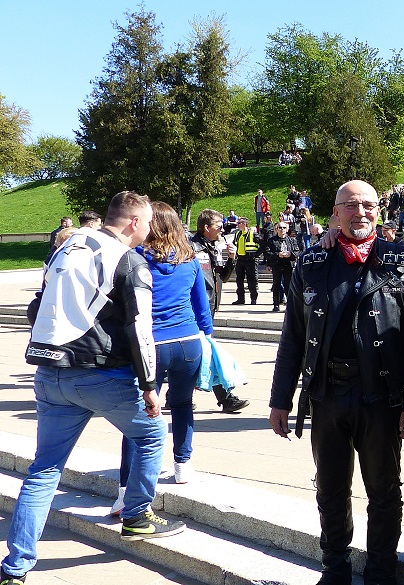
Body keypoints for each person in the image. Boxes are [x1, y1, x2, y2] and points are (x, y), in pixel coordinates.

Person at [3, 192, 184, 585]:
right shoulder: (128, 260)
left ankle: (15, 568)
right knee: (151, 433)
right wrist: (149, 386)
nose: (150, 229)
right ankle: (137, 514)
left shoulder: (67, 247)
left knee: (43, 470)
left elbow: (37, 306)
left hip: (50, 371)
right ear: (134, 221)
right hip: (101, 374)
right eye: (148, 222)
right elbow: (141, 328)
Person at [268, 180, 404, 585]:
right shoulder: (311, 262)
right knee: (330, 489)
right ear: (335, 213)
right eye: (351, 205)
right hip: (327, 393)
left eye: (368, 205)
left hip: (382, 395)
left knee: (384, 490)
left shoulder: (402, 261)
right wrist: (280, 399)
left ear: (380, 210)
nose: (361, 212)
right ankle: (334, 568)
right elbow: (293, 336)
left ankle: (380, 571)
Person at [110, 201, 214, 519]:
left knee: (140, 415)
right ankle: (182, 465)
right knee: (182, 405)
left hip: (150, 344)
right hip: (187, 342)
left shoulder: (135, 259)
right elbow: (202, 307)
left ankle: (125, 491)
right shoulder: (190, 260)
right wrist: (207, 337)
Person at [189, 209, 249, 414]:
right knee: (210, 354)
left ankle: (176, 396)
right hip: (195, 310)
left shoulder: (214, 246)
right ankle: (226, 398)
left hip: (210, 307)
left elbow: (222, 277)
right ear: (206, 228)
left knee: (199, 354)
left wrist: (232, 258)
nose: (223, 229)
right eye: (219, 226)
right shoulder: (191, 247)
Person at [264, 221, 300, 312]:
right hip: (277, 265)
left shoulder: (292, 240)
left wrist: (290, 254)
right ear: (276, 229)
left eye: (284, 228)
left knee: (289, 285)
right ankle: (276, 304)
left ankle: (289, 305)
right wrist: (277, 255)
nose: (282, 229)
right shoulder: (271, 240)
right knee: (276, 285)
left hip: (288, 265)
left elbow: (297, 252)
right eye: (280, 228)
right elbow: (267, 253)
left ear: (287, 229)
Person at [231, 217, 260, 305]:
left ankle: (253, 298)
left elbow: (263, 244)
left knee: (251, 280)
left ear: (244, 224)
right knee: (239, 280)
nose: (237, 225)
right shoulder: (238, 234)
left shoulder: (252, 234)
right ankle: (240, 299)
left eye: (239, 223)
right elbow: (234, 244)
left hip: (250, 260)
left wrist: (256, 255)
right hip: (240, 259)